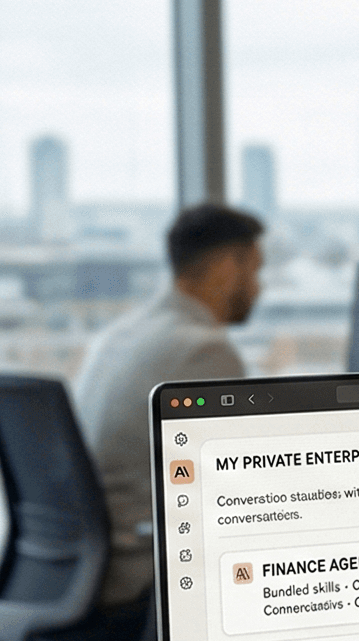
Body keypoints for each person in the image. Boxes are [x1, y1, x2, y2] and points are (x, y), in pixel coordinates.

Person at [71, 203, 263, 610]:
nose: (259, 288)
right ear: (228, 266)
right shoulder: (205, 351)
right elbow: (236, 486)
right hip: (138, 579)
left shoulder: (119, 336)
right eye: (255, 271)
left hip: (77, 570)